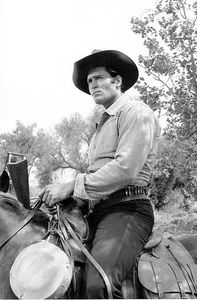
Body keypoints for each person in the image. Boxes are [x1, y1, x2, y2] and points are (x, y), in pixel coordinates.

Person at [39, 49, 161, 298]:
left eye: (99, 78)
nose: (93, 84)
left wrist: (71, 185)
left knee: (99, 284)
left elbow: (125, 169)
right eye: (89, 81)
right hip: (97, 212)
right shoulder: (101, 126)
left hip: (128, 209)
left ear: (117, 81)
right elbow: (97, 178)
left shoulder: (136, 112)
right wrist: (69, 201)